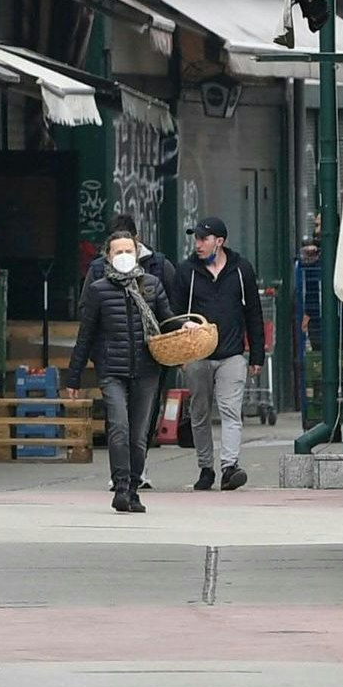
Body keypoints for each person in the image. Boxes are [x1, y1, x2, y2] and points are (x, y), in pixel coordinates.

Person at [67, 229, 172, 513]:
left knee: (138, 435)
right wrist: (73, 376)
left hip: (147, 369)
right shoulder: (98, 290)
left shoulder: (152, 285)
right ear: (108, 257)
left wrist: (185, 328)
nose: (124, 256)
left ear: (137, 254)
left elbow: (168, 322)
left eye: (129, 251)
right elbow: (85, 335)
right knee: (118, 427)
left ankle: (135, 487)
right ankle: (121, 487)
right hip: (112, 368)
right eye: (118, 252)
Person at [171, 217, 267, 489]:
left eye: (204, 239)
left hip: (232, 353)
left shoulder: (241, 270)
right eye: (196, 239)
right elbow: (174, 312)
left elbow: (253, 313)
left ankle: (229, 467)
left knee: (230, 410)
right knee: (199, 412)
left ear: (219, 242)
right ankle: (205, 468)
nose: (198, 244)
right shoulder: (186, 272)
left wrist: (256, 355)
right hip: (197, 354)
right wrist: (181, 343)